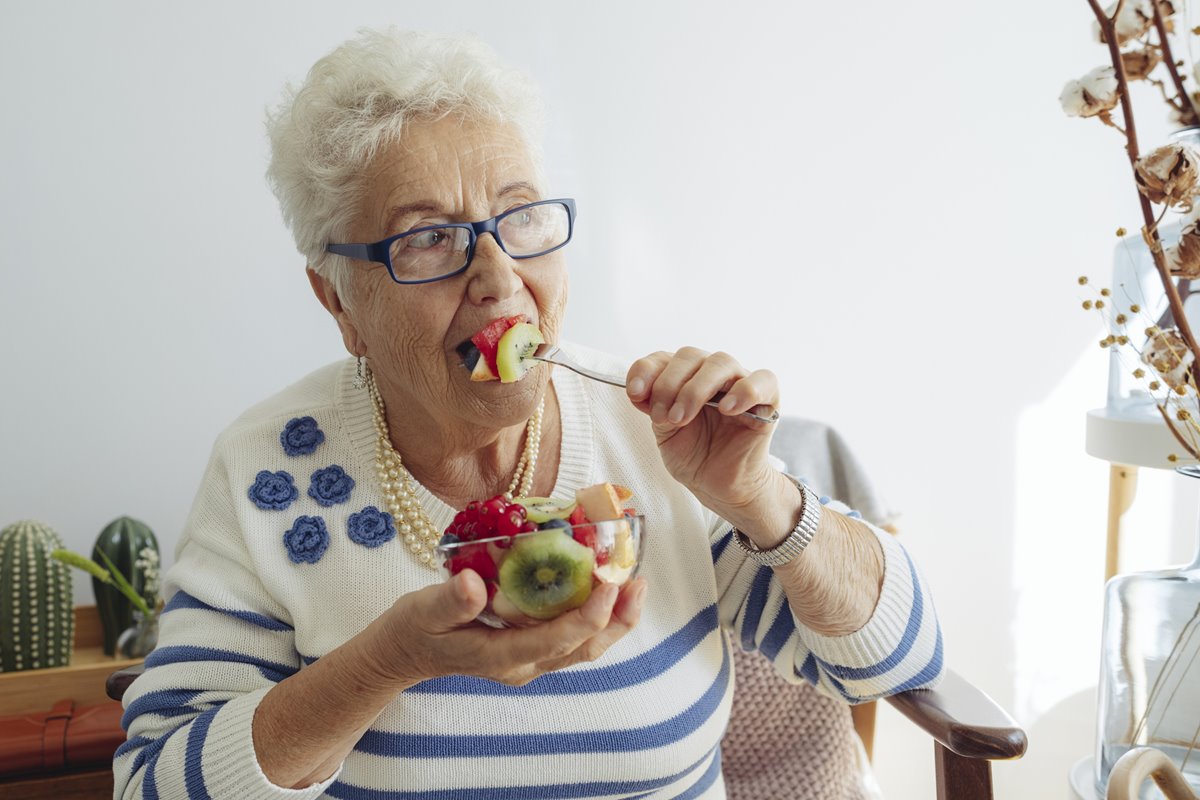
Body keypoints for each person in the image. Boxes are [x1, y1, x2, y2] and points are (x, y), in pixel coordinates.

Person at [114, 28, 943, 799]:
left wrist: (756, 493)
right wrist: (385, 664)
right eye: (430, 238)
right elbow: (151, 782)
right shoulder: (266, 471)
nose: (499, 277)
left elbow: (900, 658)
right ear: (339, 301)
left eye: (521, 219)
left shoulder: (653, 431)